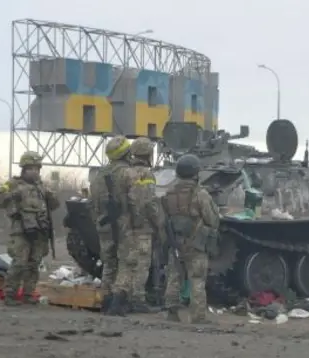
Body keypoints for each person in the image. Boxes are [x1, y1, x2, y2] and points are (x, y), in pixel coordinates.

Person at [0, 151, 60, 306]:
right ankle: (10, 294)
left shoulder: (41, 188)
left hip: (39, 231)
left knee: (34, 263)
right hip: (21, 230)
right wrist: (12, 193)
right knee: (19, 263)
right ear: (24, 169)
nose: (35, 171)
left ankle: (29, 294)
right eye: (31, 168)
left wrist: (50, 194)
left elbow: (55, 205)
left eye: (37, 168)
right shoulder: (14, 184)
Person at [161, 154, 220, 323]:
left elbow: (163, 219)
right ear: (196, 173)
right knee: (197, 278)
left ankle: (172, 312)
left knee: (174, 277)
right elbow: (212, 220)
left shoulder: (169, 193)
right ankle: (198, 316)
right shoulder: (200, 194)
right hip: (196, 243)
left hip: (176, 242)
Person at [115, 137, 165, 313]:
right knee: (142, 264)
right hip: (142, 227)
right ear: (148, 154)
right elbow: (149, 202)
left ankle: (118, 299)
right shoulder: (146, 174)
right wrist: (160, 224)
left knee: (126, 263)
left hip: (124, 226)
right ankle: (137, 300)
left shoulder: (124, 172)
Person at [89, 135, 135, 315]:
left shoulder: (98, 176)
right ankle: (118, 301)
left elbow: (92, 202)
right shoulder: (129, 174)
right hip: (124, 223)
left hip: (104, 224)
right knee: (126, 263)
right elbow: (136, 201)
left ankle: (106, 301)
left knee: (109, 263)